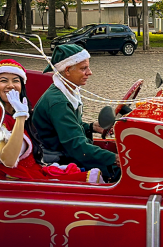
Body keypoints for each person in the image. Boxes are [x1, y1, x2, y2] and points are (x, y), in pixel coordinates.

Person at [0, 59, 101, 183]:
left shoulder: (20, 112)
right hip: (18, 181)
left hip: (36, 170)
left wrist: (91, 126)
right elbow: (8, 160)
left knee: (92, 175)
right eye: (3, 81)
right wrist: (20, 116)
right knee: (92, 178)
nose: (10, 85)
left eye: (15, 81)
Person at [32, 44, 121, 182]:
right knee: (118, 171)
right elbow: (77, 147)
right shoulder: (59, 102)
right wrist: (114, 158)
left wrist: (91, 127)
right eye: (83, 68)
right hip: (58, 158)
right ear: (67, 70)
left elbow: (67, 129)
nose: (89, 72)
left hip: (66, 151)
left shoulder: (66, 91)